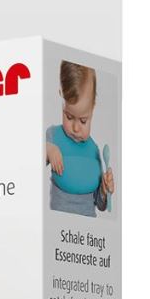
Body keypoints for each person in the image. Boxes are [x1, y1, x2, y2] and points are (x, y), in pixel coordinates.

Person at [45, 61, 115, 217]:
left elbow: (100, 204)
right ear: (61, 98)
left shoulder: (94, 150)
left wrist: (104, 191)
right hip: (59, 224)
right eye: (69, 117)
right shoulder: (53, 135)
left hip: (86, 229)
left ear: (93, 108)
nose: (76, 128)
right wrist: (47, 149)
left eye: (83, 121)